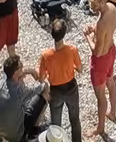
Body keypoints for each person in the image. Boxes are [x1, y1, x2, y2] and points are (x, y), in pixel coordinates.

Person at [38, 14, 83, 142]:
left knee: (56, 125)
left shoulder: (45, 55)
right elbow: (80, 69)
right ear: (65, 33)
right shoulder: (72, 50)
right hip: (71, 88)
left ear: (52, 34)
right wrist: (71, 68)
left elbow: (41, 79)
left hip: (55, 91)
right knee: (74, 120)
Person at [85, 0, 116, 139]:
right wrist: (95, 30)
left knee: (100, 96)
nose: (92, 7)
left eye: (94, 4)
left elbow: (96, 52)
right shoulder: (112, 8)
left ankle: (100, 128)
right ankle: (112, 113)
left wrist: (88, 37)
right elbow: (106, 29)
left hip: (101, 61)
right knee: (111, 82)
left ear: (102, 1)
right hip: (111, 51)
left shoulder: (100, 23)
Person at [0, 51, 47, 142]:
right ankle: (32, 131)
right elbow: (40, 87)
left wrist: (26, 72)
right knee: (44, 95)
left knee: (24, 103)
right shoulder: (18, 92)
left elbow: (17, 80)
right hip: (16, 136)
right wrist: (44, 83)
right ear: (15, 73)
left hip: (1, 130)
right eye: (21, 67)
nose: (23, 67)